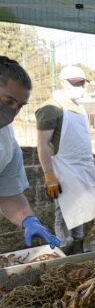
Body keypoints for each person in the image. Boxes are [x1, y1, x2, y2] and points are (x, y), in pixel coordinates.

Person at [36, 65, 95, 255]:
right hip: (62, 170)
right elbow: (42, 144)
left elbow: (82, 140)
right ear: (62, 82)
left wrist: (93, 164)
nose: (80, 86)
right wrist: (49, 174)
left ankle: (79, 250)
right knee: (64, 212)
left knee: (81, 210)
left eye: (82, 83)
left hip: (82, 168)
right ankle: (64, 253)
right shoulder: (51, 108)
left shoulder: (79, 107)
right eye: (76, 83)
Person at [0, 56, 60, 250]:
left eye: (19, 106)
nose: (13, 111)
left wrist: (28, 220)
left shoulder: (6, 139)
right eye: (8, 101)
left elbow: (9, 193)